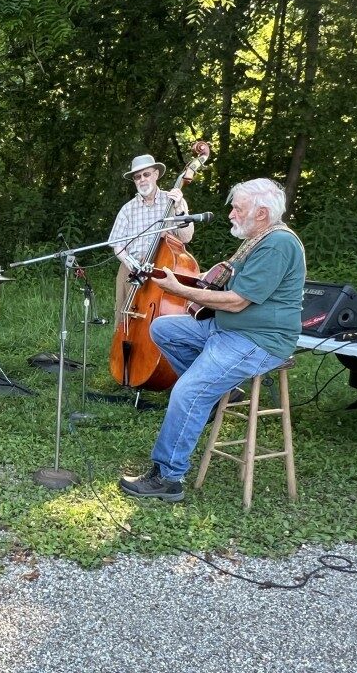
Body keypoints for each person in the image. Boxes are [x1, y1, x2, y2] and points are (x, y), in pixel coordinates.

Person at [119, 178, 306, 502]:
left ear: (261, 213)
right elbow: (225, 284)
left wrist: (179, 290)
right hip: (226, 329)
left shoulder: (278, 244)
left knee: (188, 391)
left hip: (257, 339)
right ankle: (223, 391)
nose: (231, 213)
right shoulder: (256, 241)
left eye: (238, 208)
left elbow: (237, 301)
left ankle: (168, 477)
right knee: (162, 329)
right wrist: (192, 280)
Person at [109, 154, 195, 325]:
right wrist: (132, 264)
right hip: (132, 270)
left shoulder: (173, 201)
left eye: (146, 174)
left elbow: (186, 237)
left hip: (164, 268)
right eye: (137, 177)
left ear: (156, 174)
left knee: (162, 315)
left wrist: (178, 210)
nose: (142, 180)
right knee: (125, 318)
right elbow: (117, 244)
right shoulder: (127, 209)